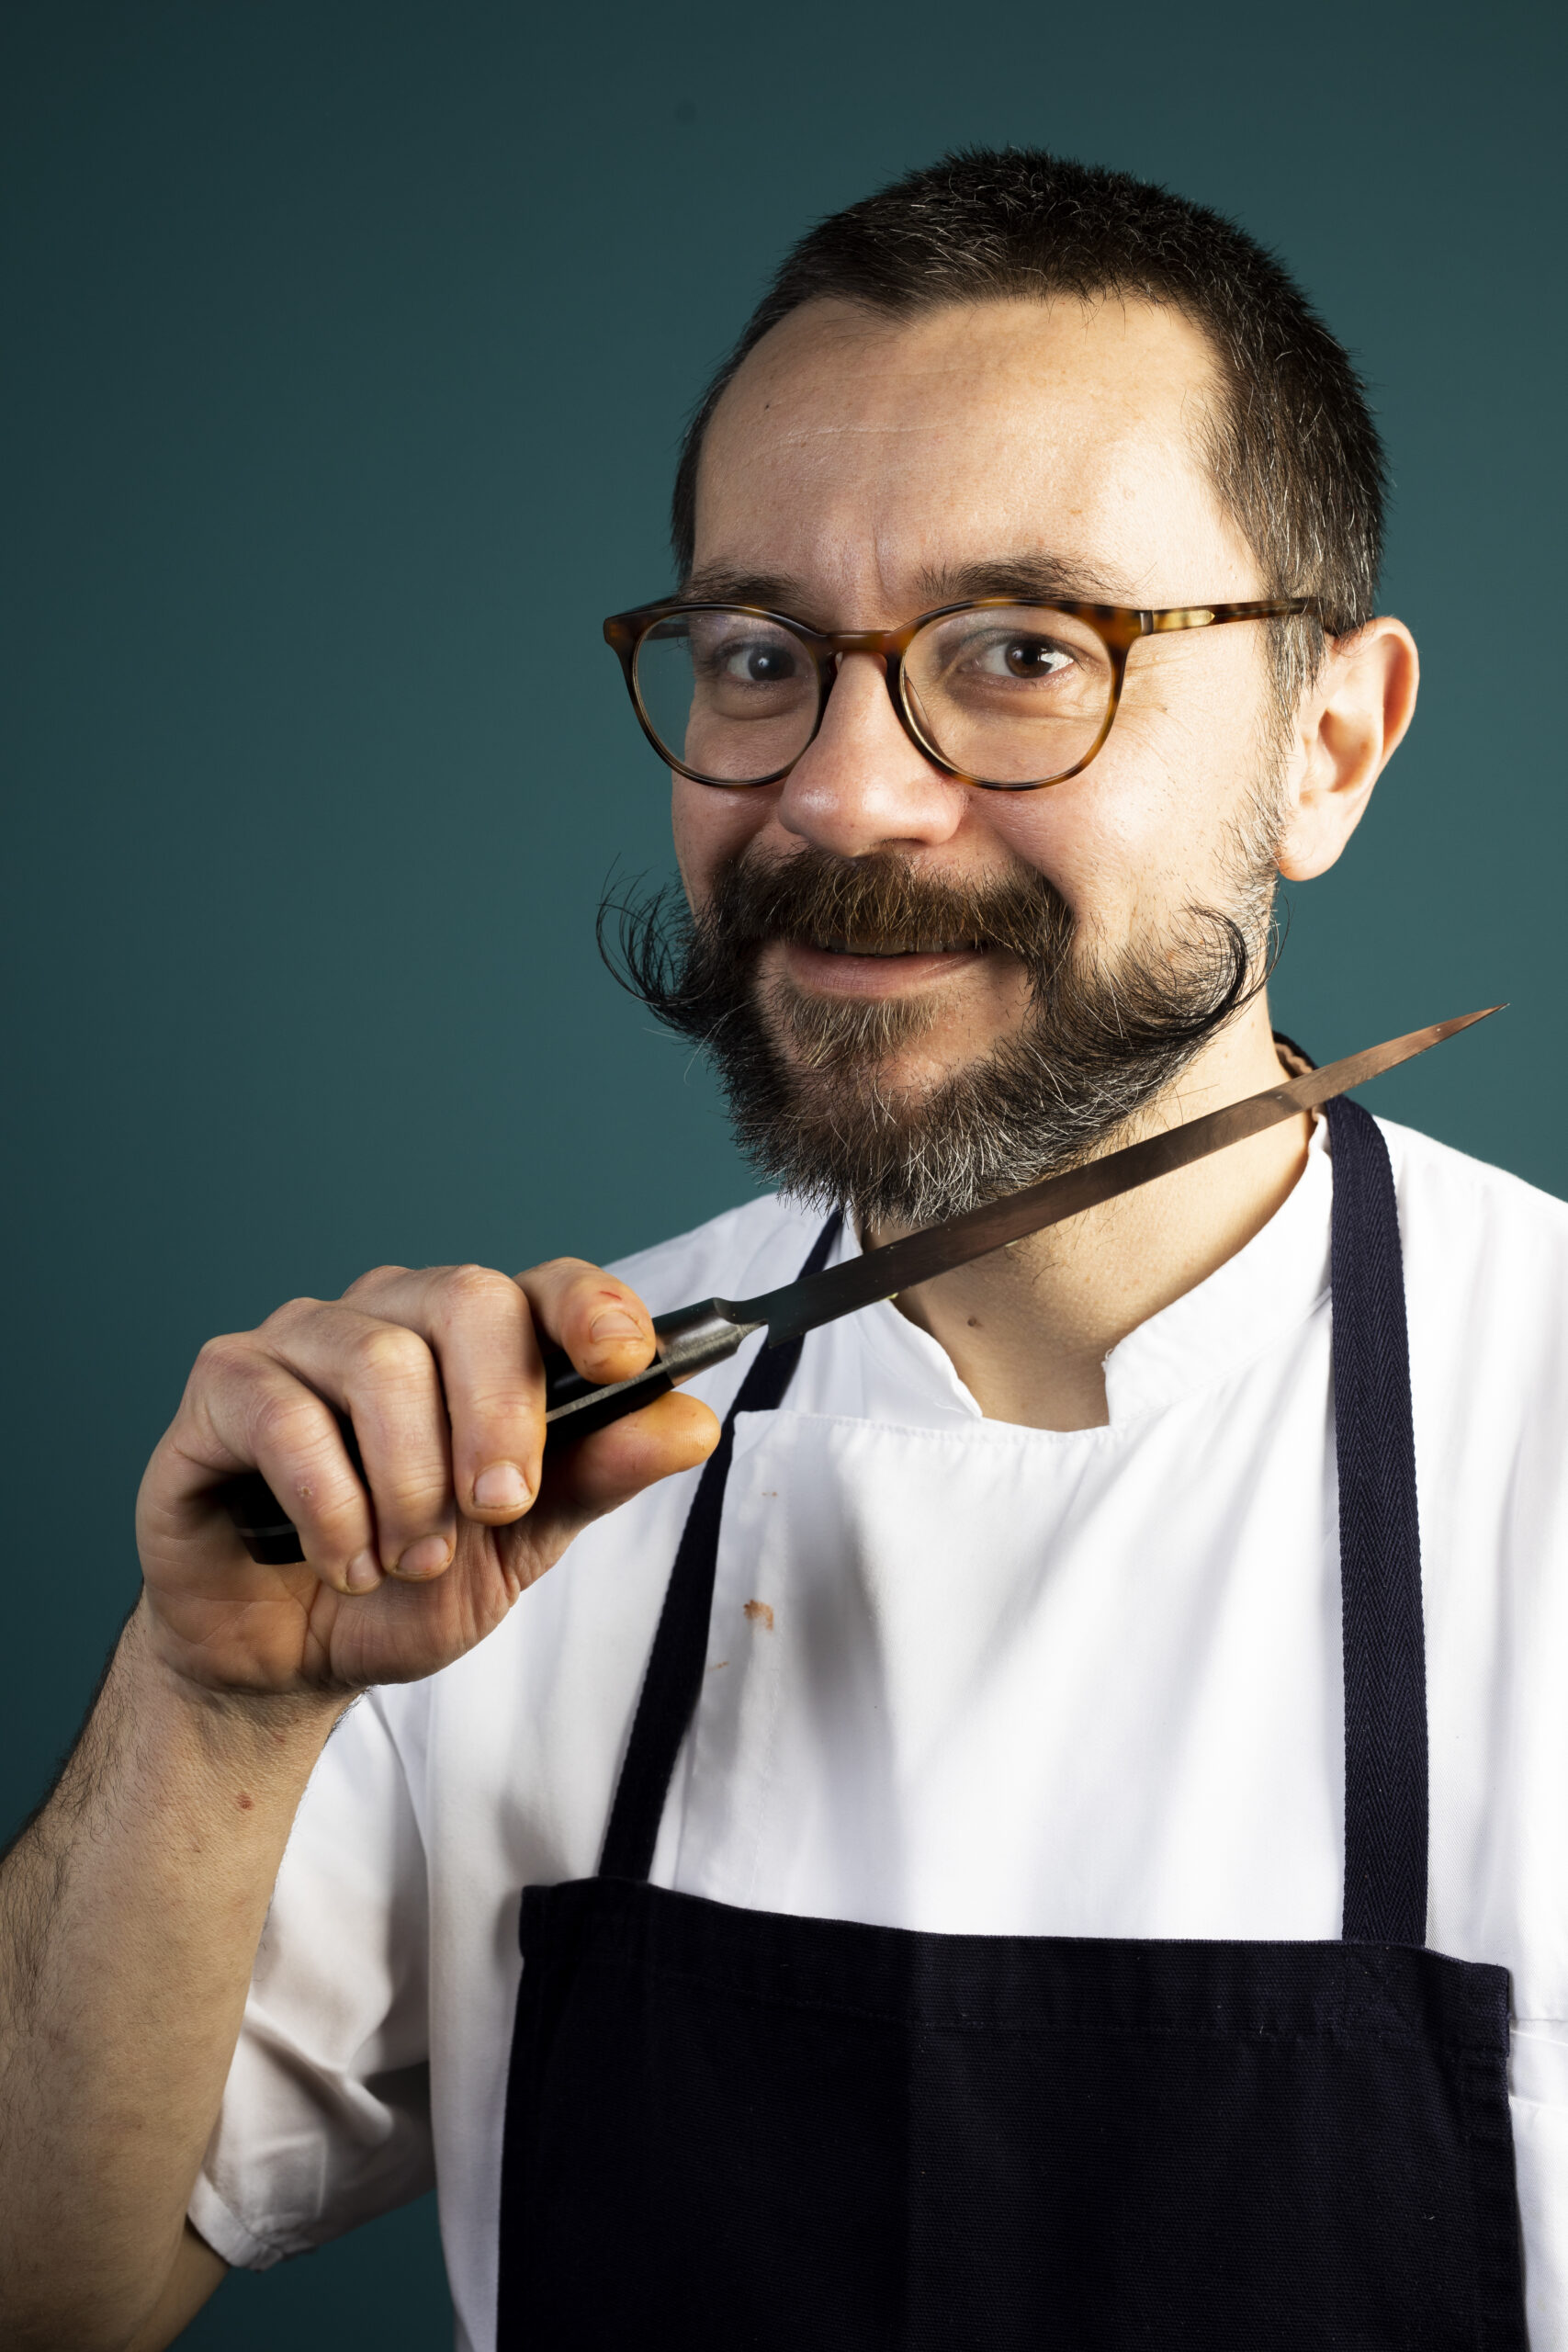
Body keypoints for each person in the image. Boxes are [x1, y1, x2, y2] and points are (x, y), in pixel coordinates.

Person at [3, 146, 1564, 2352]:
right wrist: (206, 1713)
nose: (839, 795)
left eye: (1024, 652)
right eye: (759, 653)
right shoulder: (490, 1483)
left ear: (1325, 743)